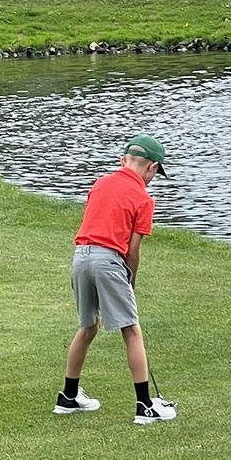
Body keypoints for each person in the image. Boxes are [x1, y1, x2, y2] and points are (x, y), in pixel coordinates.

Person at [53, 135, 178, 425]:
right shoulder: (144, 199)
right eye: (155, 174)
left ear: (124, 161)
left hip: (80, 257)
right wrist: (130, 279)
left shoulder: (100, 183)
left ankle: (69, 396)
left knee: (87, 327)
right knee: (131, 330)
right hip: (108, 260)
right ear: (152, 168)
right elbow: (132, 251)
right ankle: (145, 406)